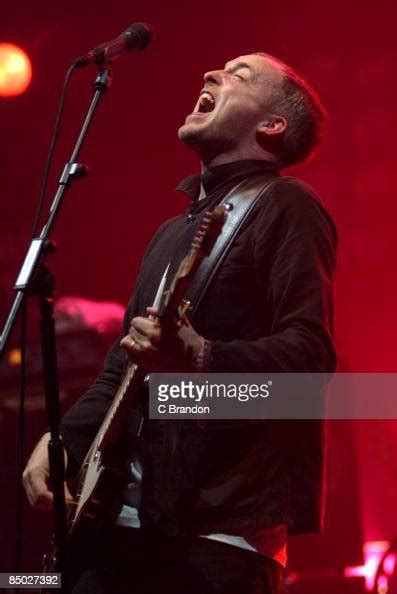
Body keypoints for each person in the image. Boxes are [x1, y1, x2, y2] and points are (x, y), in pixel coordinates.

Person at [23, 52, 337, 594]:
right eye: (215, 68)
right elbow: (119, 369)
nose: (210, 73)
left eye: (239, 75)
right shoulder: (171, 233)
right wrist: (62, 443)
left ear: (273, 123)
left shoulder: (289, 205)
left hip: (220, 534)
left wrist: (200, 354)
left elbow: (310, 362)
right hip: (118, 525)